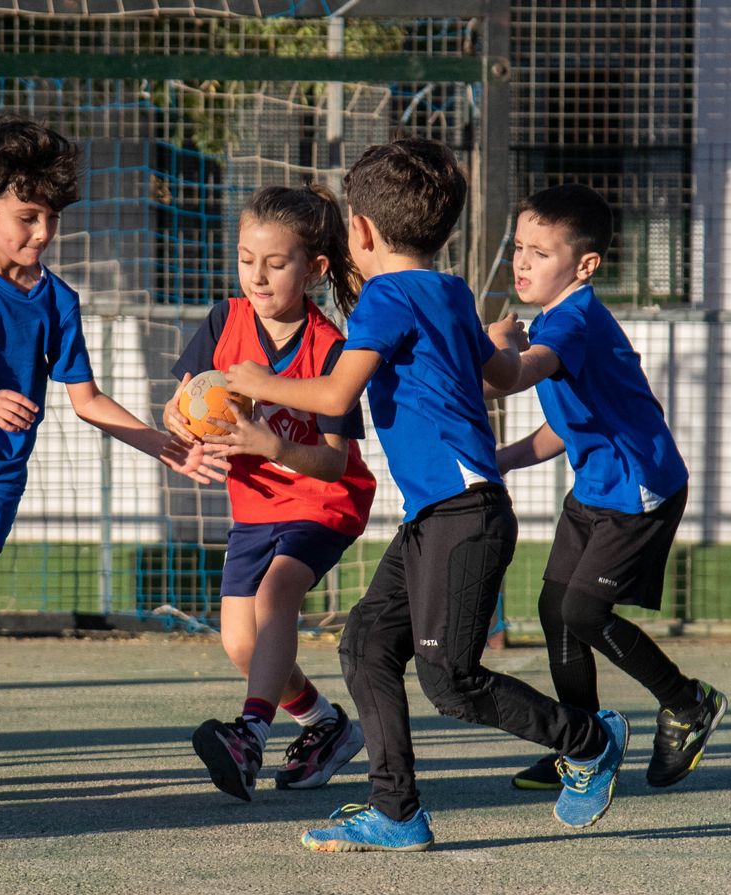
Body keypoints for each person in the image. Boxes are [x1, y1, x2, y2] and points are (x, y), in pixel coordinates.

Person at [225, 140, 629, 852]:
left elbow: (333, 393)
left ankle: (590, 739)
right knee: (366, 647)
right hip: (442, 515)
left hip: (462, 516)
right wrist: (494, 342)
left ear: (360, 232)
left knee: (452, 681)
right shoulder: (446, 290)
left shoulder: (387, 296)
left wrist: (255, 382)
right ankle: (397, 810)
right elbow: (500, 375)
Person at [0, 116, 220, 796]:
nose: (42, 233)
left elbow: (85, 397)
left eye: (51, 218)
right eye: (27, 217)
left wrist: (159, 443)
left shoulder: (58, 300)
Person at [490, 184, 729, 795]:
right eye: (519, 247)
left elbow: (512, 378)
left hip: (639, 490)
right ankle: (585, 742)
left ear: (584, 265)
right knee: (554, 609)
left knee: (583, 611)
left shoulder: (572, 323)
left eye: (540, 253)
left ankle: (687, 702)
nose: (522, 262)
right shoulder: (553, 321)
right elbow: (572, 422)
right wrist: (511, 457)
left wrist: (489, 353)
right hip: (597, 485)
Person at [163, 185, 374, 802]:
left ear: (314, 269)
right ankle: (326, 727)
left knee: (278, 593)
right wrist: (177, 421)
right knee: (239, 641)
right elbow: (185, 401)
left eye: (276, 264)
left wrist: (270, 445)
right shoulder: (223, 322)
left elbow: (334, 463)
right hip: (255, 505)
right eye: (246, 258)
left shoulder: (331, 349)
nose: (257, 275)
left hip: (324, 499)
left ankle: (250, 733)